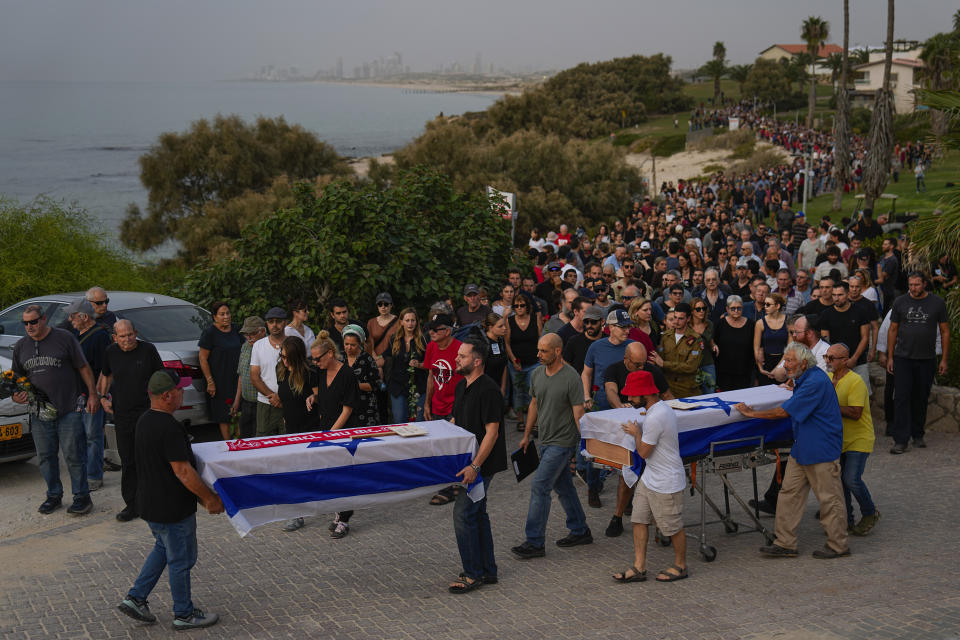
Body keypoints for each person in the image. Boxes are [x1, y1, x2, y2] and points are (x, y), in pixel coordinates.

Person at [116, 370, 223, 630]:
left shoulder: (145, 421)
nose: (182, 392)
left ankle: (136, 598)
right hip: (172, 509)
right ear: (167, 395)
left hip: (151, 506)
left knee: (163, 549)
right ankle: (184, 614)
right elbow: (183, 471)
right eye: (179, 389)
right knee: (181, 559)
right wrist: (210, 499)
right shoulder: (169, 427)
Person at [735, 343, 850, 560]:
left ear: (804, 363)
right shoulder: (806, 377)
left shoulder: (814, 382)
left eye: (789, 361)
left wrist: (752, 414)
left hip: (821, 449)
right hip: (804, 447)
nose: (785, 365)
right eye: (785, 360)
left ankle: (838, 545)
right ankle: (785, 543)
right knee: (789, 494)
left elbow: (783, 412)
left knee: (829, 498)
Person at [12, 304, 99, 516]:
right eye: (25, 323)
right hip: (39, 412)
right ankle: (53, 495)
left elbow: (83, 367)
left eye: (33, 322)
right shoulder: (21, 346)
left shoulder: (65, 338)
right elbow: (16, 379)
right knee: (45, 456)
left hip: (68, 407)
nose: (29, 327)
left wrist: (93, 394)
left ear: (43, 319)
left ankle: (82, 497)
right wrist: (17, 395)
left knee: (73, 455)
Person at [511, 334, 592, 559]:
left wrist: (586, 442)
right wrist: (527, 435)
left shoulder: (571, 377)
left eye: (543, 351)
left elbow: (578, 412)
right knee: (564, 486)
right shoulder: (537, 374)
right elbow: (534, 404)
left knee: (540, 486)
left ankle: (534, 542)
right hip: (544, 440)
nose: (538, 355)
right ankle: (581, 530)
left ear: (557, 351)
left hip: (563, 441)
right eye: (538, 350)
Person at [612, 370, 689, 583]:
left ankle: (681, 566)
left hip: (666, 481)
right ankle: (639, 567)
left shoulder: (656, 416)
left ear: (645, 395)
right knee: (639, 519)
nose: (629, 399)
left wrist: (636, 433)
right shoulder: (658, 409)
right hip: (651, 477)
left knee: (672, 526)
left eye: (633, 395)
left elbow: (644, 453)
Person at [447, 340, 506, 594]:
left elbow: (492, 432)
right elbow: (455, 421)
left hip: (481, 464)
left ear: (477, 361)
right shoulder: (462, 386)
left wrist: (475, 466)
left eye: (462, 356)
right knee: (478, 514)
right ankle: (487, 570)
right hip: (468, 462)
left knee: (463, 514)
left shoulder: (489, 389)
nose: (457, 359)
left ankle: (472, 574)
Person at [601, 342, 672, 537]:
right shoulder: (614, 369)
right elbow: (611, 392)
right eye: (637, 365)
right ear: (626, 360)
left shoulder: (651, 371)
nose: (642, 368)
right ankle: (617, 516)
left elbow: (666, 395)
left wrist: (675, 414)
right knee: (627, 475)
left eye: (643, 364)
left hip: (650, 428)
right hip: (628, 429)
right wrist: (620, 407)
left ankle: (659, 523)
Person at [98, 319, 163, 522]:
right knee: (128, 461)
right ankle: (132, 505)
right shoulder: (111, 352)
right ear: (115, 338)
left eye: (130, 335)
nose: (127, 340)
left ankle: (155, 501)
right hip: (123, 414)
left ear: (135, 332)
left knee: (151, 458)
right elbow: (106, 375)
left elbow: (161, 375)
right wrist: (102, 397)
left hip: (147, 412)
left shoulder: (148, 350)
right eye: (122, 336)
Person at [887, 272, 950, 454]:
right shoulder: (900, 302)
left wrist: (944, 359)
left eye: (916, 285)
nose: (912, 288)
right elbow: (892, 330)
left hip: (926, 358)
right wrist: (890, 356)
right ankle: (900, 440)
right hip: (903, 358)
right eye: (910, 284)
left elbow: (945, 332)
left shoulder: (937, 303)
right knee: (901, 398)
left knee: (921, 397)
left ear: (924, 284)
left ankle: (918, 434)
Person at [308, 332, 361, 538]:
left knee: (344, 474)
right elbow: (325, 395)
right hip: (328, 428)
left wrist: (332, 434)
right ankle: (339, 511)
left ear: (330, 354)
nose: (315, 362)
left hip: (343, 430)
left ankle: (345, 518)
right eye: (313, 359)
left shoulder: (347, 374)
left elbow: (347, 409)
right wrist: (313, 397)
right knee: (331, 473)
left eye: (318, 358)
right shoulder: (321, 372)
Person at [825, 344, 880, 536]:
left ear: (845, 360)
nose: (827, 361)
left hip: (859, 439)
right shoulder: (829, 378)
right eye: (826, 357)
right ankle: (845, 521)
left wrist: (830, 404)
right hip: (839, 440)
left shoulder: (856, 381)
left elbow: (856, 413)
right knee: (840, 482)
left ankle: (870, 512)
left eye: (832, 358)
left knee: (851, 479)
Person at [581, 308, 634, 507]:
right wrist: (586, 396)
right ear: (610, 328)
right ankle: (593, 488)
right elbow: (586, 373)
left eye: (628, 326)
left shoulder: (633, 346)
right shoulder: (596, 347)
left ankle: (627, 495)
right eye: (622, 327)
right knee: (596, 448)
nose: (626, 331)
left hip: (628, 405)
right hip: (601, 404)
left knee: (627, 450)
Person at [275, 336, 321, 533]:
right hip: (290, 430)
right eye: (282, 356)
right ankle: (297, 514)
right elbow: (285, 400)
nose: (284, 360)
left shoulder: (310, 374)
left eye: (287, 357)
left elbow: (322, 396)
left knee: (310, 471)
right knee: (293, 471)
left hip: (309, 429)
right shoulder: (282, 372)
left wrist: (314, 396)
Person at [66, 299, 112, 491]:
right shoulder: (76, 335)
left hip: (92, 395)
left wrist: (99, 395)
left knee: (93, 435)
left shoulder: (100, 336)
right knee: (80, 436)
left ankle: (94, 476)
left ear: (84, 317)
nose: (70, 320)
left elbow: (105, 369)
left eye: (73, 316)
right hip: (78, 395)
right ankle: (84, 474)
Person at [198, 301, 244, 440]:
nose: (226, 317)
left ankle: (240, 443)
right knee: (224, 416)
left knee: (239, 413)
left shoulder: (236, 329)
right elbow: (203, 358)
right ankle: (228, 444)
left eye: (228, 313)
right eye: (222, 314)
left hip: (237, 378)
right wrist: (210, 381)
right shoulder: (210, 333)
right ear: (214, 317)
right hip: (219, 380)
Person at [819, 282, 872, 391]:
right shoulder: (826, 314)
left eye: (840, 295)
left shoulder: (860, 311)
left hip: (858, 361)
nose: (836, 298)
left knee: (862, 393)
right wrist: (834, 360)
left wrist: (854, 358)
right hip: (835, 362)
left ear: (848, 294)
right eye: (834, 295)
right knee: (835, 394)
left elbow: (865, 337)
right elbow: (825, 341)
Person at [504, 292, 541, 431]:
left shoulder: (535, 318)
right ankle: (520, 421)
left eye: (522, 305)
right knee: (518, 391)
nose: (519, 308)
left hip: (533, 362)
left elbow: (540, 339)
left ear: (527, 306)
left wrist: (540, 356)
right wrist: (513, 360)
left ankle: (534, 423)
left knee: (533, 392)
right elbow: (506, 343)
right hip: (516, 364)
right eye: (516, 306)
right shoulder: (510, 321)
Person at [249, 307, 288, 436]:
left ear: (285, 322)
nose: (274, 325)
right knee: (263, 443)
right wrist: (273, 397)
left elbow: (300, 374)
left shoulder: (294, 343)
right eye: (271, 321)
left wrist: (282, 397)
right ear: (267, 324)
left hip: (289, 403)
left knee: (290, 442)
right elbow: (255, 377)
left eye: (278, 321)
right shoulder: (258, 345)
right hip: (266, 403)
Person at [388, 308, 427, 423]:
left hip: (419, 385)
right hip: (398, 385)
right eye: (407, 320)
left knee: (420, 421)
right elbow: (385, 358)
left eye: (413, 320)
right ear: (401, 322)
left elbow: (430, 364)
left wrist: (419, 364)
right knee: (399, 420)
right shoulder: (394, 339)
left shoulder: (423, 339)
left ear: (417, 322)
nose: (410, 323)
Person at [658, 303, 702, 399]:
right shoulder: (665, 336)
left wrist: (664, 364)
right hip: (667, 388)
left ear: (688, 319)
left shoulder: (696, 339)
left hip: (686, 389)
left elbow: (691, 367)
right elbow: (659, 359)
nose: (676, 322)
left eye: (681, 318)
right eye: (675, 317)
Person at [232, 316, 266, 439]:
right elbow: (241, 374)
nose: (249, 337)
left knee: (259, 437)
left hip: (262, 403)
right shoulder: (245, 346)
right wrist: (237, 401)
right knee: (244, 436)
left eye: (252, 333)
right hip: (246, 402)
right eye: (246, 334)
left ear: (262, 331)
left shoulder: (268, 348)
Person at [342, 324, 380, 427]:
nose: (349, 348)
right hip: (344, 408)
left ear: (360, 344)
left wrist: (354, 386)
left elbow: (376, 384)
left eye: (353, 345)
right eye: (346, 344)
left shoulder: (367, 359)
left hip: (366, 408)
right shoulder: (340, 359)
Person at [713, 296, 755, 391]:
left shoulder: (751, 324)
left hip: (744, 371)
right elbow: (713, 341)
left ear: (742, 308)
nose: (736, 310)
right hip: (724, 371)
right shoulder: (720, 324)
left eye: (739, 308)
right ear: (727, 309)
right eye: (733, 308)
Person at [754, 293, 788, 384]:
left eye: (768, 304)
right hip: (765, 361)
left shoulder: (787, 321)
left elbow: (790, 347)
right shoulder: (760, 323)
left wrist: (778, 368)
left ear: (777, 306)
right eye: (764, 304)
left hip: (783, 360)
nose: (765, 306)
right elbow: (756, 347)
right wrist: (760, 368)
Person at [563, 305, 605, 374]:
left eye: (593, 322)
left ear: (602, 321)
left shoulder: (608, 340)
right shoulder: (574, 341)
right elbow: (565, 366)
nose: (589, 325)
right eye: (586, 322)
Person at [689, 300, 718, 394]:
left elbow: (711, 341)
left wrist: (714, 346)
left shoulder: (709, 324)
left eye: (704, 308)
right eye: (698, 309)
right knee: (694, 393)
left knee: (710, 391)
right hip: (691, 364)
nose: (702, 311)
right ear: (692, 311)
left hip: (707, 362)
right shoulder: (687, 325)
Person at [482, 312, 509, 400]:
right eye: (500, 326)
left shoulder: (500, 341)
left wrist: (503, 388)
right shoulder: (483, 344)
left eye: (504, 325)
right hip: (485, 390)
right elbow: (480, 372)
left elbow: (504, 364)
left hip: (498, 387)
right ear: (490, 327)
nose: (504, 328)